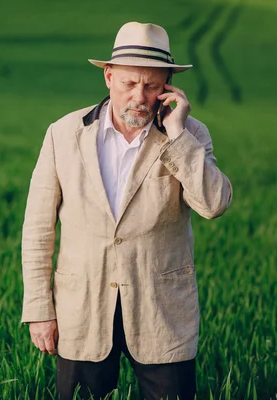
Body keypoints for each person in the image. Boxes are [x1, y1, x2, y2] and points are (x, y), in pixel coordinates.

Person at [20, 22, 233, 400]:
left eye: (152, 86)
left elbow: (214, 205)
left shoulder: (190, 135)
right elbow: (38, 229)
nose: (139, 96)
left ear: (168, 86)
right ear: (108, 76)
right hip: (82, 310)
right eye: (129, 83)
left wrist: (178, 136)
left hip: (162, 313)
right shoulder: (63, 134)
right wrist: (40, 309)